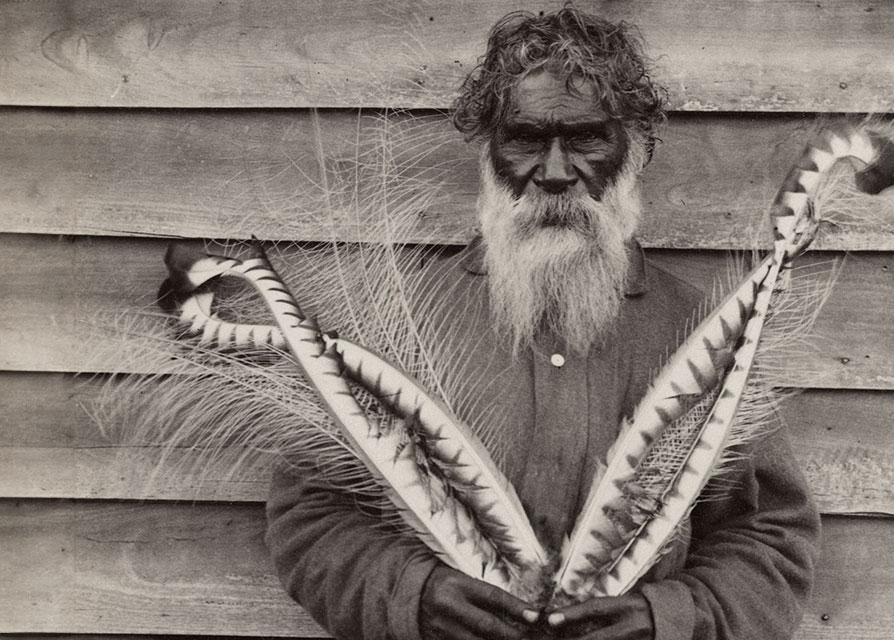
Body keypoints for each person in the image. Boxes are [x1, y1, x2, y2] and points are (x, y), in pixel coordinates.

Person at [265, 8, 820, 640]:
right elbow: (311, 517)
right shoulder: (399, 323)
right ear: (489, 152)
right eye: (526, 139)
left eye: (586, 139)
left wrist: (666, 620)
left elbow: (770, 534)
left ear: (633, 149)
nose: (555, 172)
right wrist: (413, 596)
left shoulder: (706, 333)